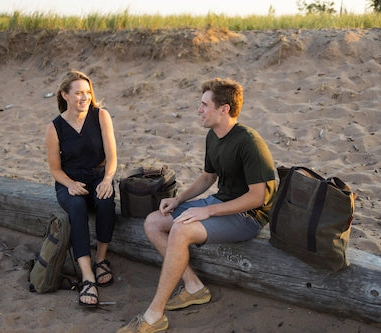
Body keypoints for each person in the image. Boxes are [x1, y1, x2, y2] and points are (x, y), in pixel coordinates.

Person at [117, 78, 276, 332]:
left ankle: (154, 315)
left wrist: (207, 210)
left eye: (204, 104)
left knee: (181, 230)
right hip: (222, 204)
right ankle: (193, 286)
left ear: (224, 109)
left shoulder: (249, 142)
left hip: (248, 216)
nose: (198, 110)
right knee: (154, 222)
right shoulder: (213, 135)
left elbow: (259, 197)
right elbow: (207, 177)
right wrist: (179, 199)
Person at [45, 70, 117, 307]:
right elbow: (55, 169)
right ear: (65, 95)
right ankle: (87, 276)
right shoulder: (55, 128)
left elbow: (112, 157)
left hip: (98, 176)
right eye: (78, 93)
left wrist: (107, 180)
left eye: (87, 92)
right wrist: (70, 184)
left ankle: (101, 260)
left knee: (106, 201)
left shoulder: (101, 116)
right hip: (69, 180)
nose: (84, 97)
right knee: (76, 207)